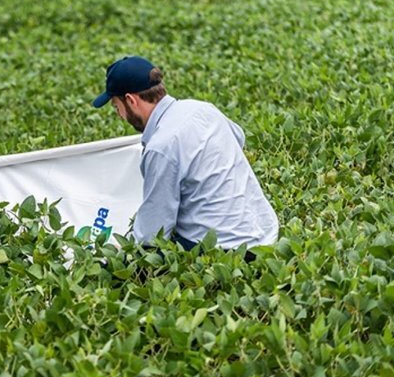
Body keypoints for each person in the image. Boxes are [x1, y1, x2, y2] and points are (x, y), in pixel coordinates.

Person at [91, 56, 278, 257]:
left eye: (116, 106)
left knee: (125, 263)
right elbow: (238, 138)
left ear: (130, 100)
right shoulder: (203, 109)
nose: (119, 114)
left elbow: (153, 233)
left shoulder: (161, 146)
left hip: (228, 251)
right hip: (266, 234)